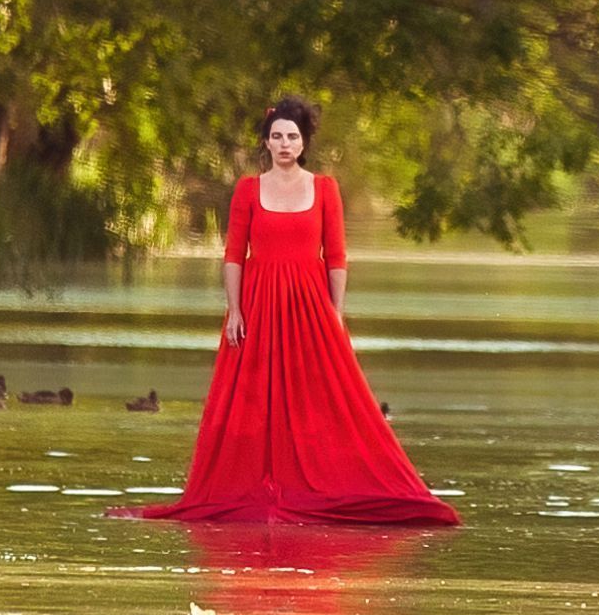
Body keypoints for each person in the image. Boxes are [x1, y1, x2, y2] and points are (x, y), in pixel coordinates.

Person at [108, 96, 459, 525]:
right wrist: (234, 311)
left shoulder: (325, 188)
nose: (285, 144)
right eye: (277, 137)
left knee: (322, 398)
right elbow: (234, 254)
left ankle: (322, 484)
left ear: (304, 142)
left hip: (310, 305)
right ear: (266, 143)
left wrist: (335, 313)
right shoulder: (248, 190)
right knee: (253, 401)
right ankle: (255, 487)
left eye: (292, 137)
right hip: (257, 304)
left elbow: (337, 257)